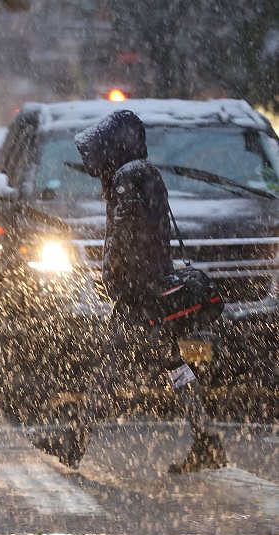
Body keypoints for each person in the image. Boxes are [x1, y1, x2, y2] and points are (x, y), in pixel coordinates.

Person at [30, 110, 227, 474]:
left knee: (109, 369)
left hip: (139, 295)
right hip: (155, 286)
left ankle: (77, 441)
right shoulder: (144, 172)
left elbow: (123, 237)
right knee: (174, 364)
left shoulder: (127, 177)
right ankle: (205, 439)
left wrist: (116, 278)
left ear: (113, 146)